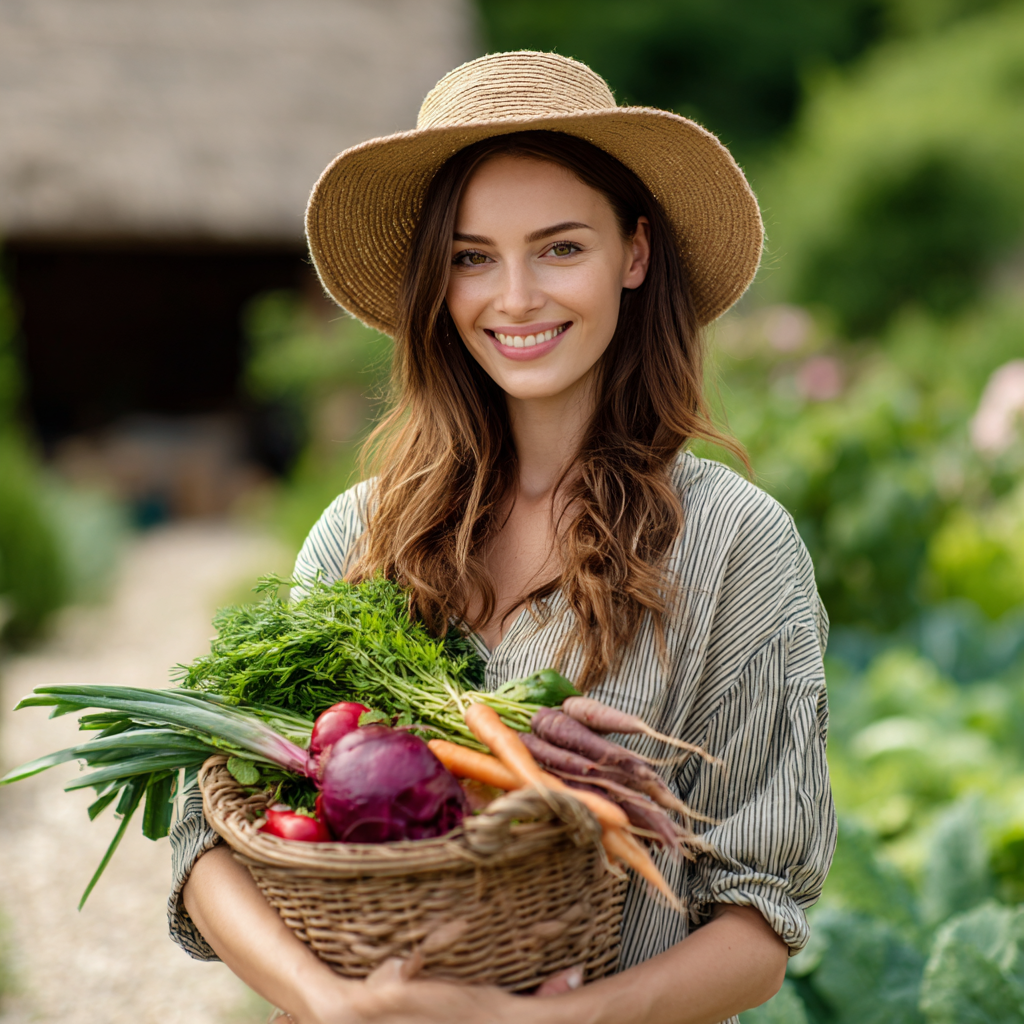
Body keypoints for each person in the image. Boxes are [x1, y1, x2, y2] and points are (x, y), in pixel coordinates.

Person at [171, 51, 836, 1024]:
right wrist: (324, 1001)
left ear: (635, 254)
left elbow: (759, 921)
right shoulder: (362, 534)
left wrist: (536, 1022)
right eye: (472, 256)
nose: (514, 297)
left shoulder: (736, 544)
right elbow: (210, 839)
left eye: (560, 248)